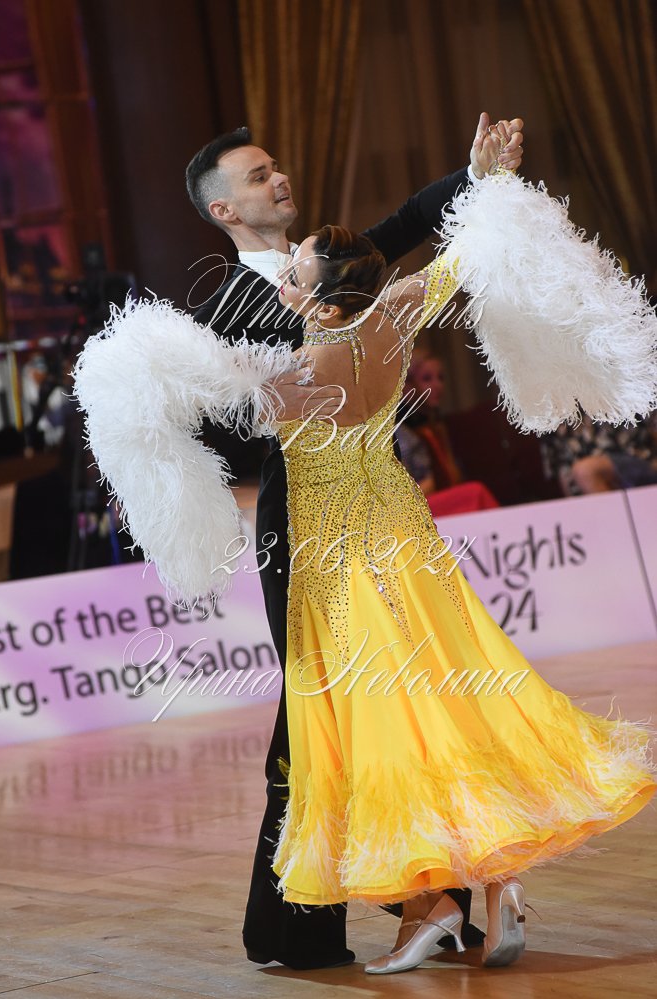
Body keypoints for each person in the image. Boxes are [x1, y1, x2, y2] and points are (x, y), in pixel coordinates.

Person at [265, 222, 656, 974]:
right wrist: (484, 187)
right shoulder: (392, 316)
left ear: (329, 300)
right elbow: (452, 265)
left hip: (343, 556)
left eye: (295, 274)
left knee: (388, 720)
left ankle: (435, 904)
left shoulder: (308, 366)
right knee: (451, 697)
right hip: (405, 537)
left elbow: (235, 414)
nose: (283, 279)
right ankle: (496, 880)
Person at [185, 115, 525, 969]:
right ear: (224, 210)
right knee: (342, 708)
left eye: (276, 166)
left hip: (355, 508)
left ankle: (384, 907)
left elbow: (409, 221)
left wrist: (474, 175)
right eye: (258, 175)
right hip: (304, 515)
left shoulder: (330, 266)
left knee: (335, 713)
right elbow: (218, 425)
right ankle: (438, 895)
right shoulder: (222, 304)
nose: (279, 178)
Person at [397, 349, 500, 515]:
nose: (437, 385)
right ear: (407, 385)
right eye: (427, 379)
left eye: (441, 378)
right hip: (411, 510)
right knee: (475, 492)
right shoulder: (399, 431)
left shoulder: (434, 425)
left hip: (436, 500)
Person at [540, 413, 657, 496]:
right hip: (586, 483)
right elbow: (562, 468)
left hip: (642, 461)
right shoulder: (548, 408)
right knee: (580, 474)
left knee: (585, 471)